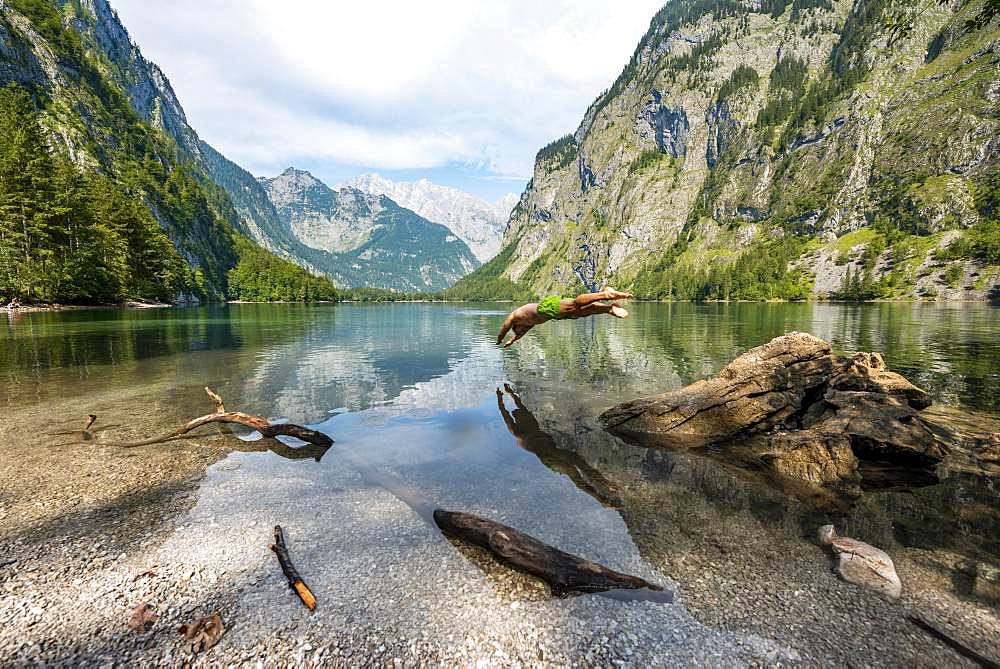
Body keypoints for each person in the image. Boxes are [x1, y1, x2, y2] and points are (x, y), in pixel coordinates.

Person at [496, 288, 633, 347]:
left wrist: (500, 339)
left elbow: (504, 327)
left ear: (517, 326)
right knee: (580, 312)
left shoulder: (514, 317)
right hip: (553, 314)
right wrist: (512, 340)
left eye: (518, 331)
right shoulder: (526, 325)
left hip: (547, 307)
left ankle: (605, 294)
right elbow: (519, 335)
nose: (521, 333)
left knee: (574, 305)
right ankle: (608, 309)